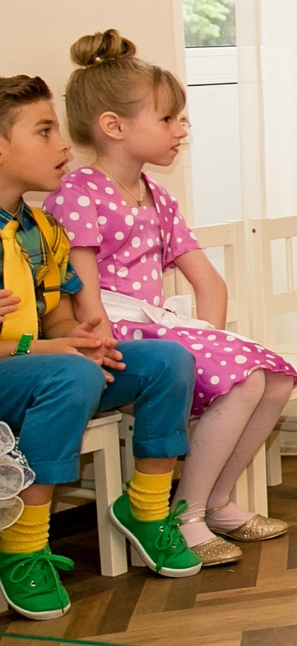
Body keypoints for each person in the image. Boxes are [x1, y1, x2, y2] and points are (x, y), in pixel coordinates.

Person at [53, 32, 297, 565]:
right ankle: (182, 515)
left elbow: (209, 282)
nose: (182, 130)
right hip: (119, 336)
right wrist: (205, 357)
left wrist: (210, 341)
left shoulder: (157, 196)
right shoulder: (78, 193)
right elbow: (83, 288)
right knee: (242, 378)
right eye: (168, 119)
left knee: (272, 378)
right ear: (114, 126)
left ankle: (214, 500)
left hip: (160, 327)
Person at [0, 74, 203, 616]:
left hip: (44, 370)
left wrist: (82, 338)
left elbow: (60, 319)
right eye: (44, 131)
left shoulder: (42, 228)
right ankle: (22, 549)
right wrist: (56, 354)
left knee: (167, 360)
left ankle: (148, 509)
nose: (63, 144)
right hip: (27, 371)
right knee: (72, 375)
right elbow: (39, 352)